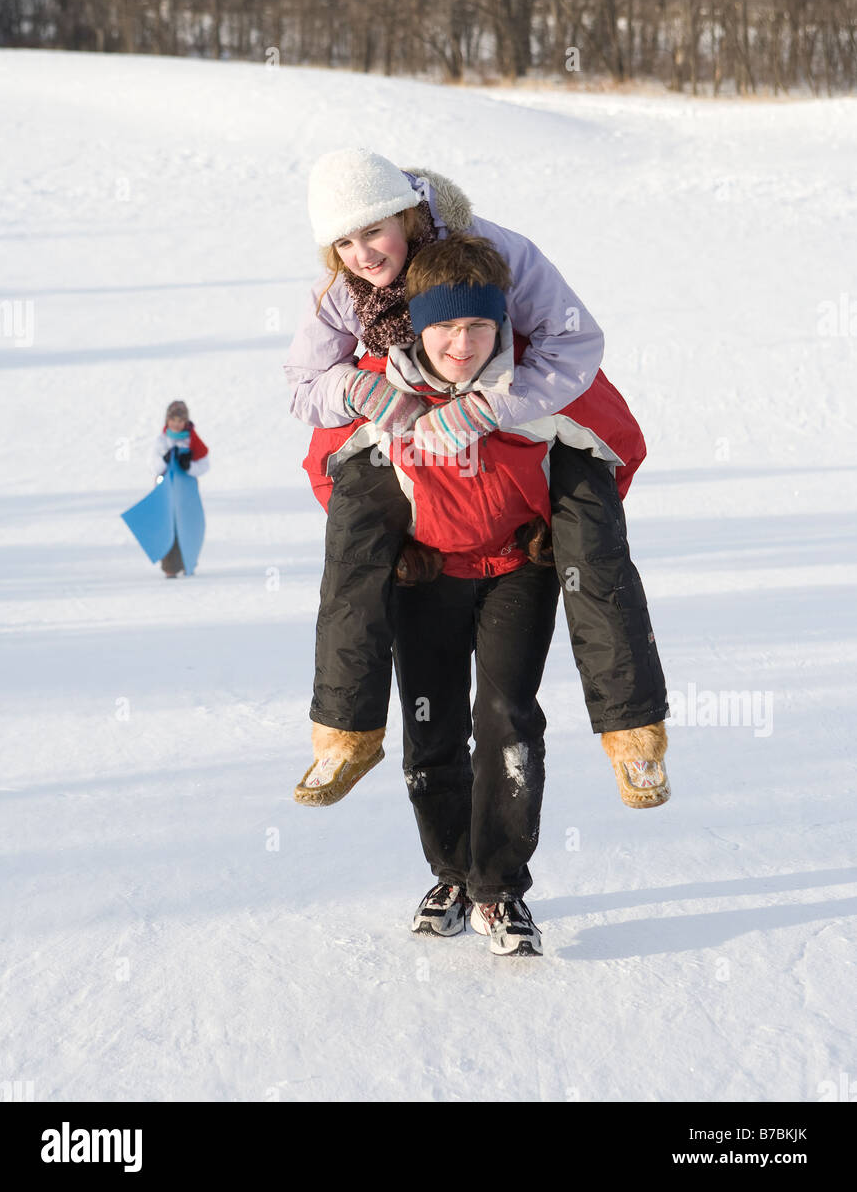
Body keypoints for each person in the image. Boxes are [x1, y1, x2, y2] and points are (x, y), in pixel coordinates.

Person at [285, 148, 670, 812]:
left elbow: (572, 342)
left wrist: (487, 407)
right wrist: (357, 388)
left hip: (526, 395)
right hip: (405, 403)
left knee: (591, 533)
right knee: (356, 525)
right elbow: (303, 386)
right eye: (343, 242)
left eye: (373, 230)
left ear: (406, 214)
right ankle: (345, 731)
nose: (363, 253)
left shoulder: (497, 250)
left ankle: (632, 731)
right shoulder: (339, 291)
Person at [150, 400, 210, 578]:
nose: (176, 424)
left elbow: (204, 464)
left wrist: (189, 466)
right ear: (167, 421)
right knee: (169, 525)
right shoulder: (161, 441)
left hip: (186, 494)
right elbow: (153, 465)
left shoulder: (192, 441)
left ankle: (187, 560)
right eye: (173, 420)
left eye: (180, 420)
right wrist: (164, 461)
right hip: (166, 491)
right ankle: (169, 565)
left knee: (187, 525)